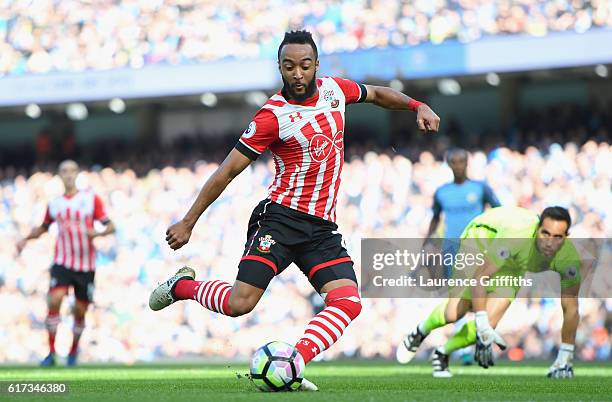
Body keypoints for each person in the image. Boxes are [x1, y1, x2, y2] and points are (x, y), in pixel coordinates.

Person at [149, 30, 440, 391]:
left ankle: (293, 363)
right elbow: (227, 171)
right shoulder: (272, 117)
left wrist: (417, 106)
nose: (298, 74)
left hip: (321, 229)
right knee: (240, 304)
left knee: (348, 302)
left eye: (304, 65)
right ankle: (183, 287)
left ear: (316, 65)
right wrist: (188, 221)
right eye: (289, 67)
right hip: (280, 219)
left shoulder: (335, 91)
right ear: (280, 68)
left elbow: (378, 94)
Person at [398, 206, 581, 378]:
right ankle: (419, 332)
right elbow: (481, 278)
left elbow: (571, 308)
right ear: (537, 229)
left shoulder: (569, 259)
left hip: (513, 264)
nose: (549, 242)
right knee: (454, 313)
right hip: (480, 239)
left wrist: (566, 355)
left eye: (557, 237)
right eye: (545, 234)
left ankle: (442, 352)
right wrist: (481, 321)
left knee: (489, 323)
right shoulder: (516, 237)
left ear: (566, 237)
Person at [17, 160, 115, 366]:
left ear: (77, 174)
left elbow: (111, 226)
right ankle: (52, 353)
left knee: (80, 311)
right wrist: (25, 238)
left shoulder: (90, 199)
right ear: (59, 176)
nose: (69, 174)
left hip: (85, 265)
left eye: (72, 171)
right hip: (62, 261)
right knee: (54, 300)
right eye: (64, 171)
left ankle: (72, 352)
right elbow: (43, 227)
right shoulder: (54, 204)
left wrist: (97, 233)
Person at [417, 148, 500, 365]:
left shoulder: (480, 188)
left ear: (467, 163)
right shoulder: (442, 192)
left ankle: (478, 343)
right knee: (459, 300)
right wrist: (426, 243)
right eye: (454, 162)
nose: (458, 165)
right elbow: (436, 219)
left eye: (462, 161)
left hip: (479, 249)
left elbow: (498, 211)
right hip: (451, 252)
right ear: (449, 164)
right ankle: (464, 350)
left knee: (482, 299)